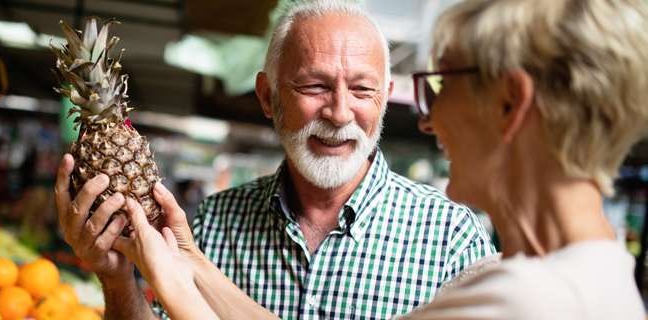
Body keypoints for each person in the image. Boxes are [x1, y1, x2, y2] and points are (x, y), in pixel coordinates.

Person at [113, 0, 648, 319]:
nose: (428, 118)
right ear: (269, 95)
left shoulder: (530, 300)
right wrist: (188, 262)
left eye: (444, 83)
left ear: (510, 104)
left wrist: (178, 277)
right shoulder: (595, 279)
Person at [56, 0, 496, 319]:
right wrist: (117, 283)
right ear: (268, 97)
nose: (340, 113)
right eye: (314, 87)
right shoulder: (213, 223)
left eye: (362, 90)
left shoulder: (451, 239)